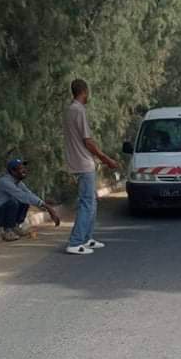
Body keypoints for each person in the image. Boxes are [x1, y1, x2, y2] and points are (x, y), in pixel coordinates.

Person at [63, 78, 119, 255]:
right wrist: (106, 159)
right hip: (84, 163)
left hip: (78, 162)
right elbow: (88, 141)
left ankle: (86, 238)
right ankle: (75, 241)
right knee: (87, 203)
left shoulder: (69, 110)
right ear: (85, 92)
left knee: (91, 201)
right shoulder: (78, 110)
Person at [0, 159, 60, 241]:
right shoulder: (4, 182)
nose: (24, 170)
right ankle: (8, 231)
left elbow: (29, 194)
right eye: (20, 168)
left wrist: (46, 206)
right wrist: (49, 208)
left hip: (1, 215)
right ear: (13, 171)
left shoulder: (18, 182)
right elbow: (22, 196)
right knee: (13, 202)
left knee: (24, 202)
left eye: (24, 168)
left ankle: (16, 226)